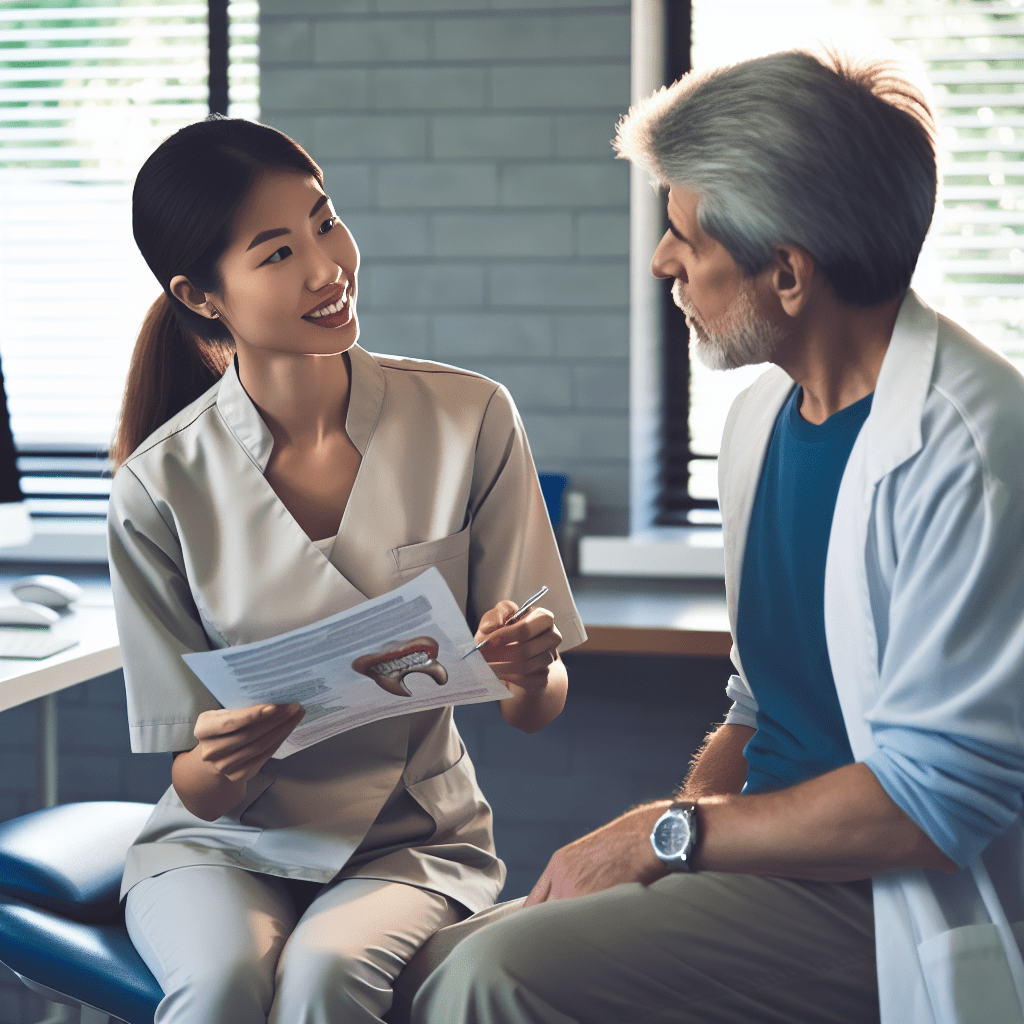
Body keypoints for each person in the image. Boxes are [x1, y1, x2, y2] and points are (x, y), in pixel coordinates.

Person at [406, 47, 1024, 1024]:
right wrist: (665, 857)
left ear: (786, 272)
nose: (662, 261)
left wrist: (670, 833)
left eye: (686, 238)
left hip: (889, 898)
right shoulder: (760, 421)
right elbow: (757, 704)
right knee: (421, 970)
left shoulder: (970, 445)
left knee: (495, 978)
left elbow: (931, 804)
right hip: (767, 865)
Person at [106, 115, 588, 1024]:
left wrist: (531, 668)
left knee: (327, 977)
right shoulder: (156, 487)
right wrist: (220, 758)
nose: (327, 268)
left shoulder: (470, 418)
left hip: (411, 841)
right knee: (218, 989)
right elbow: (193, 782)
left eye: (326, 223)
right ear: (203, 297)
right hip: (223, 842)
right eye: (278, 251)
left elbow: (537, 704)